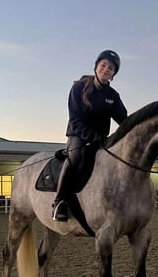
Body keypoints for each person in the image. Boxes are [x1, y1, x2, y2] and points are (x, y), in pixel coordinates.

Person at [52, 49, 128, 221]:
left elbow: (124, 120)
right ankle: (59, 201)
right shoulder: (78, 88)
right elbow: (75, 119)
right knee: (76, 158)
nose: (106, 69)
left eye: (111, 68)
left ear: (113, 74)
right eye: (104, 65)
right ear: (96, 67)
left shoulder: (113, 96)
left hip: (101, 139)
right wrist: (92, 136)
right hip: (78, 135)